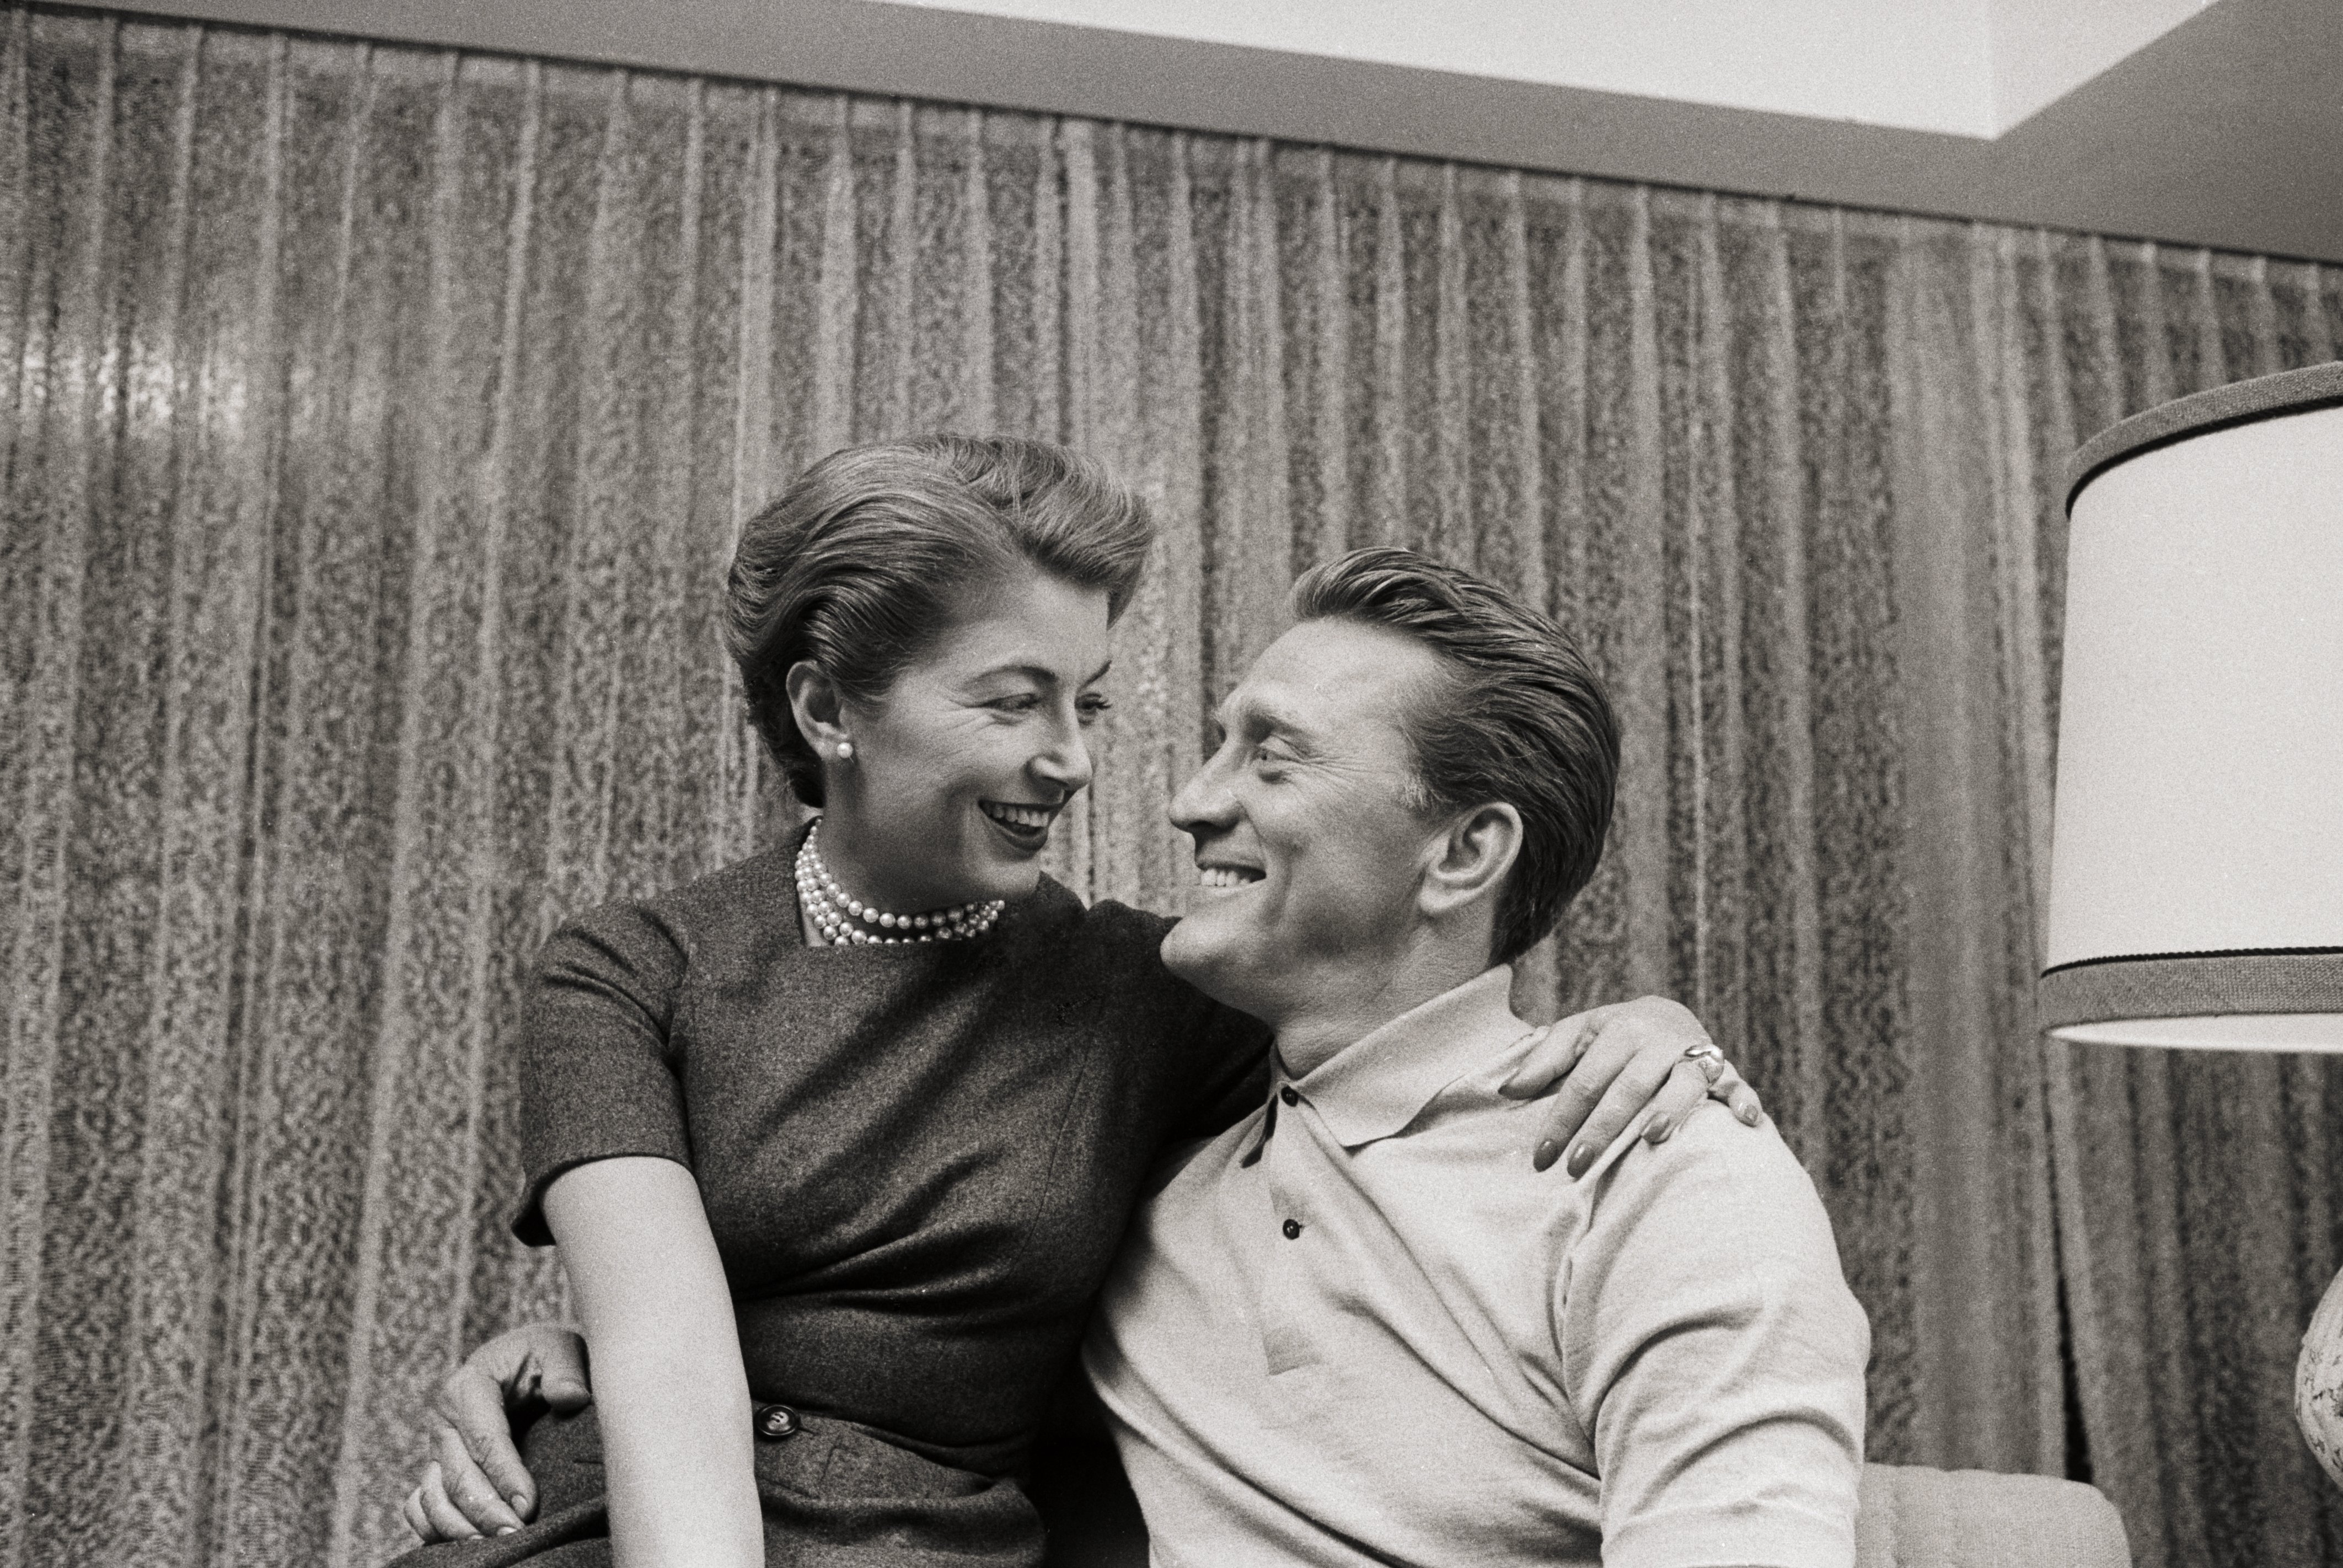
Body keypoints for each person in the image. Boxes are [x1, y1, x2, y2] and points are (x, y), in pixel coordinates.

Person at [392, 437, 1761, 1567]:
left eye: (1088, 707)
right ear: (827, 710)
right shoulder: (627, 972)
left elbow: (1405, 1060)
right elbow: (668, 1363)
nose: (1071, 763)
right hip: (621, 1528)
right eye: (1011, 702)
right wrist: (556, 1349)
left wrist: (1658, 1032)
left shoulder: (1150, 990)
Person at [1085, 547, 1868, 1565]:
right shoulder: (1134, 1189)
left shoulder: (1659, 1173)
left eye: (1273, 757)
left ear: (1461, 855)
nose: (1191, 801)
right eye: (1220, 745)